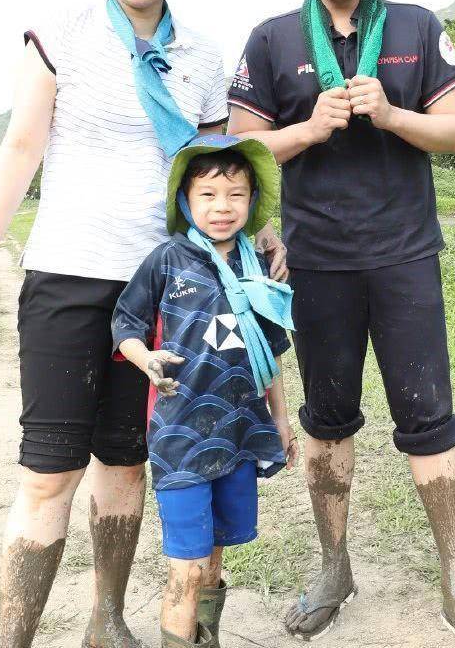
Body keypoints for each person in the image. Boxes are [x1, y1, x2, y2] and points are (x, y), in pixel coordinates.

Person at [0, 0, 286, 648]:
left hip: (165, 287)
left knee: (126, 462)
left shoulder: (201, 56)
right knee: (48, 471)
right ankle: (14, 640)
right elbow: (23, 146)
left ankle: (107, 621)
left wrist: (258, 236)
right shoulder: (60, 38)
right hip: (68, 274)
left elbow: (208, 174)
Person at [227, 0, 455, 648]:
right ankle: (334, 567)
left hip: (406, 255)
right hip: (316, 261)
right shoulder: (271, 39)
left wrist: (388, 115)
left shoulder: (416, 26)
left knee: (430, 420)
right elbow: (243, 152)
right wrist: (307, 127)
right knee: (326, 423)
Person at [112, 134, 298, 648]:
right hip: (180, 436)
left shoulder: (255, 264)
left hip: (239, 433)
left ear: (252, 201)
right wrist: (144, 358)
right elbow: (124, 323)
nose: (222, 207)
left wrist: (279, 421)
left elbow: (270, 351)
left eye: (236, 195)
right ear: (185, 202)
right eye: (208, 196)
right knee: (187, 569)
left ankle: (205, 637)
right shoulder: (166, 259)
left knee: (215, 557)